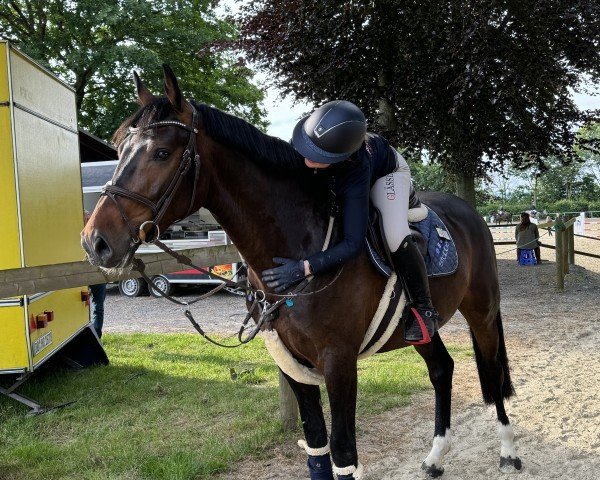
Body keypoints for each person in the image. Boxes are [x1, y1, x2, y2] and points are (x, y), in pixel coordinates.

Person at [260, 100, 439, 345]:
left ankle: (424, 308)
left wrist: (303, 268)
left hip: (387, 174)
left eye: (315, 156)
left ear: (338, 158)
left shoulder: (356, 172)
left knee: (394, 233)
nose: (305, 159)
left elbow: (353, 243)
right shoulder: (306, 145)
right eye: (306, 148)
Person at [85, 210, 107, 338]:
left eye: (89, 217)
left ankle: (97, 336)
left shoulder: (98, 233)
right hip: (81, 276)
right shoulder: (79, 234)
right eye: (86, 218)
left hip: (97, 274)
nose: (88, 219)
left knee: (98, 307)